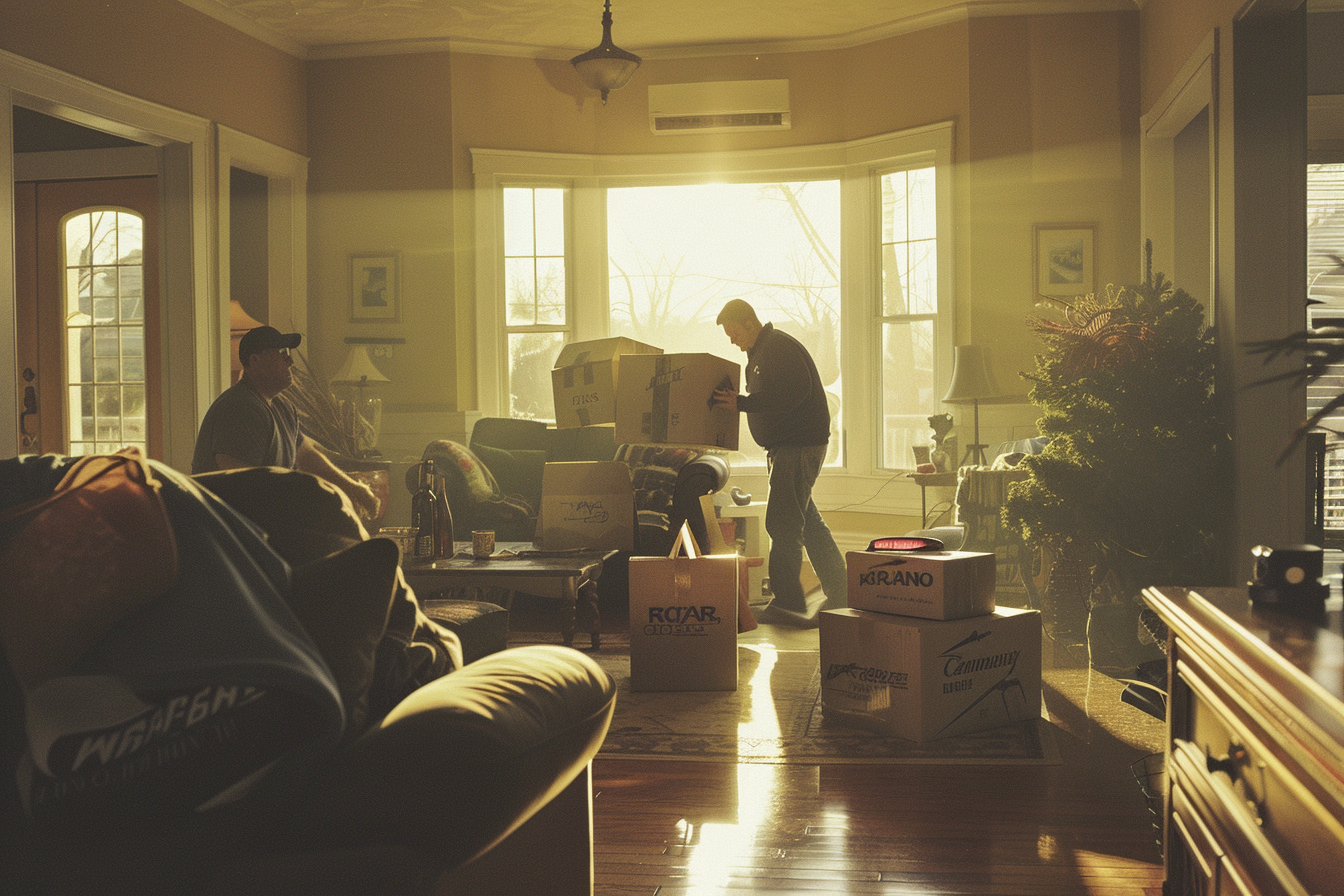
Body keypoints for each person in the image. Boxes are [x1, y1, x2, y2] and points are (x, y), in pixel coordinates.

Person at [711, 299, 846, 628]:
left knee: (782, 525)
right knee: (807, 524)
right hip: (789, 449)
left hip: (797, 447)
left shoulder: (777, 348)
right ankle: (843, 594)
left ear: (749, 323)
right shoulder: (759, 354)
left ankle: (788, 603)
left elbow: (794, 394)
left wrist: (741, 403)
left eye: (734, 333)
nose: (732, 339)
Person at [192, 325, 379, 519]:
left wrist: (354, 489)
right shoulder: (240, 407)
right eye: (282, 352)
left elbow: (305, 455)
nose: (290, 360)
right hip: (228, 528)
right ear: (254, 360)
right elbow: (240, 481)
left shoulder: (283, 407)